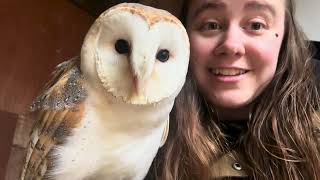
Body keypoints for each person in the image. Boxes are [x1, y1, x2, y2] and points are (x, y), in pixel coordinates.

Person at [145, 0, 320, 179]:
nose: (231, 45)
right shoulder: (142, 136)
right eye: (211, 25)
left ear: (285, 38)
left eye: (256, 25)